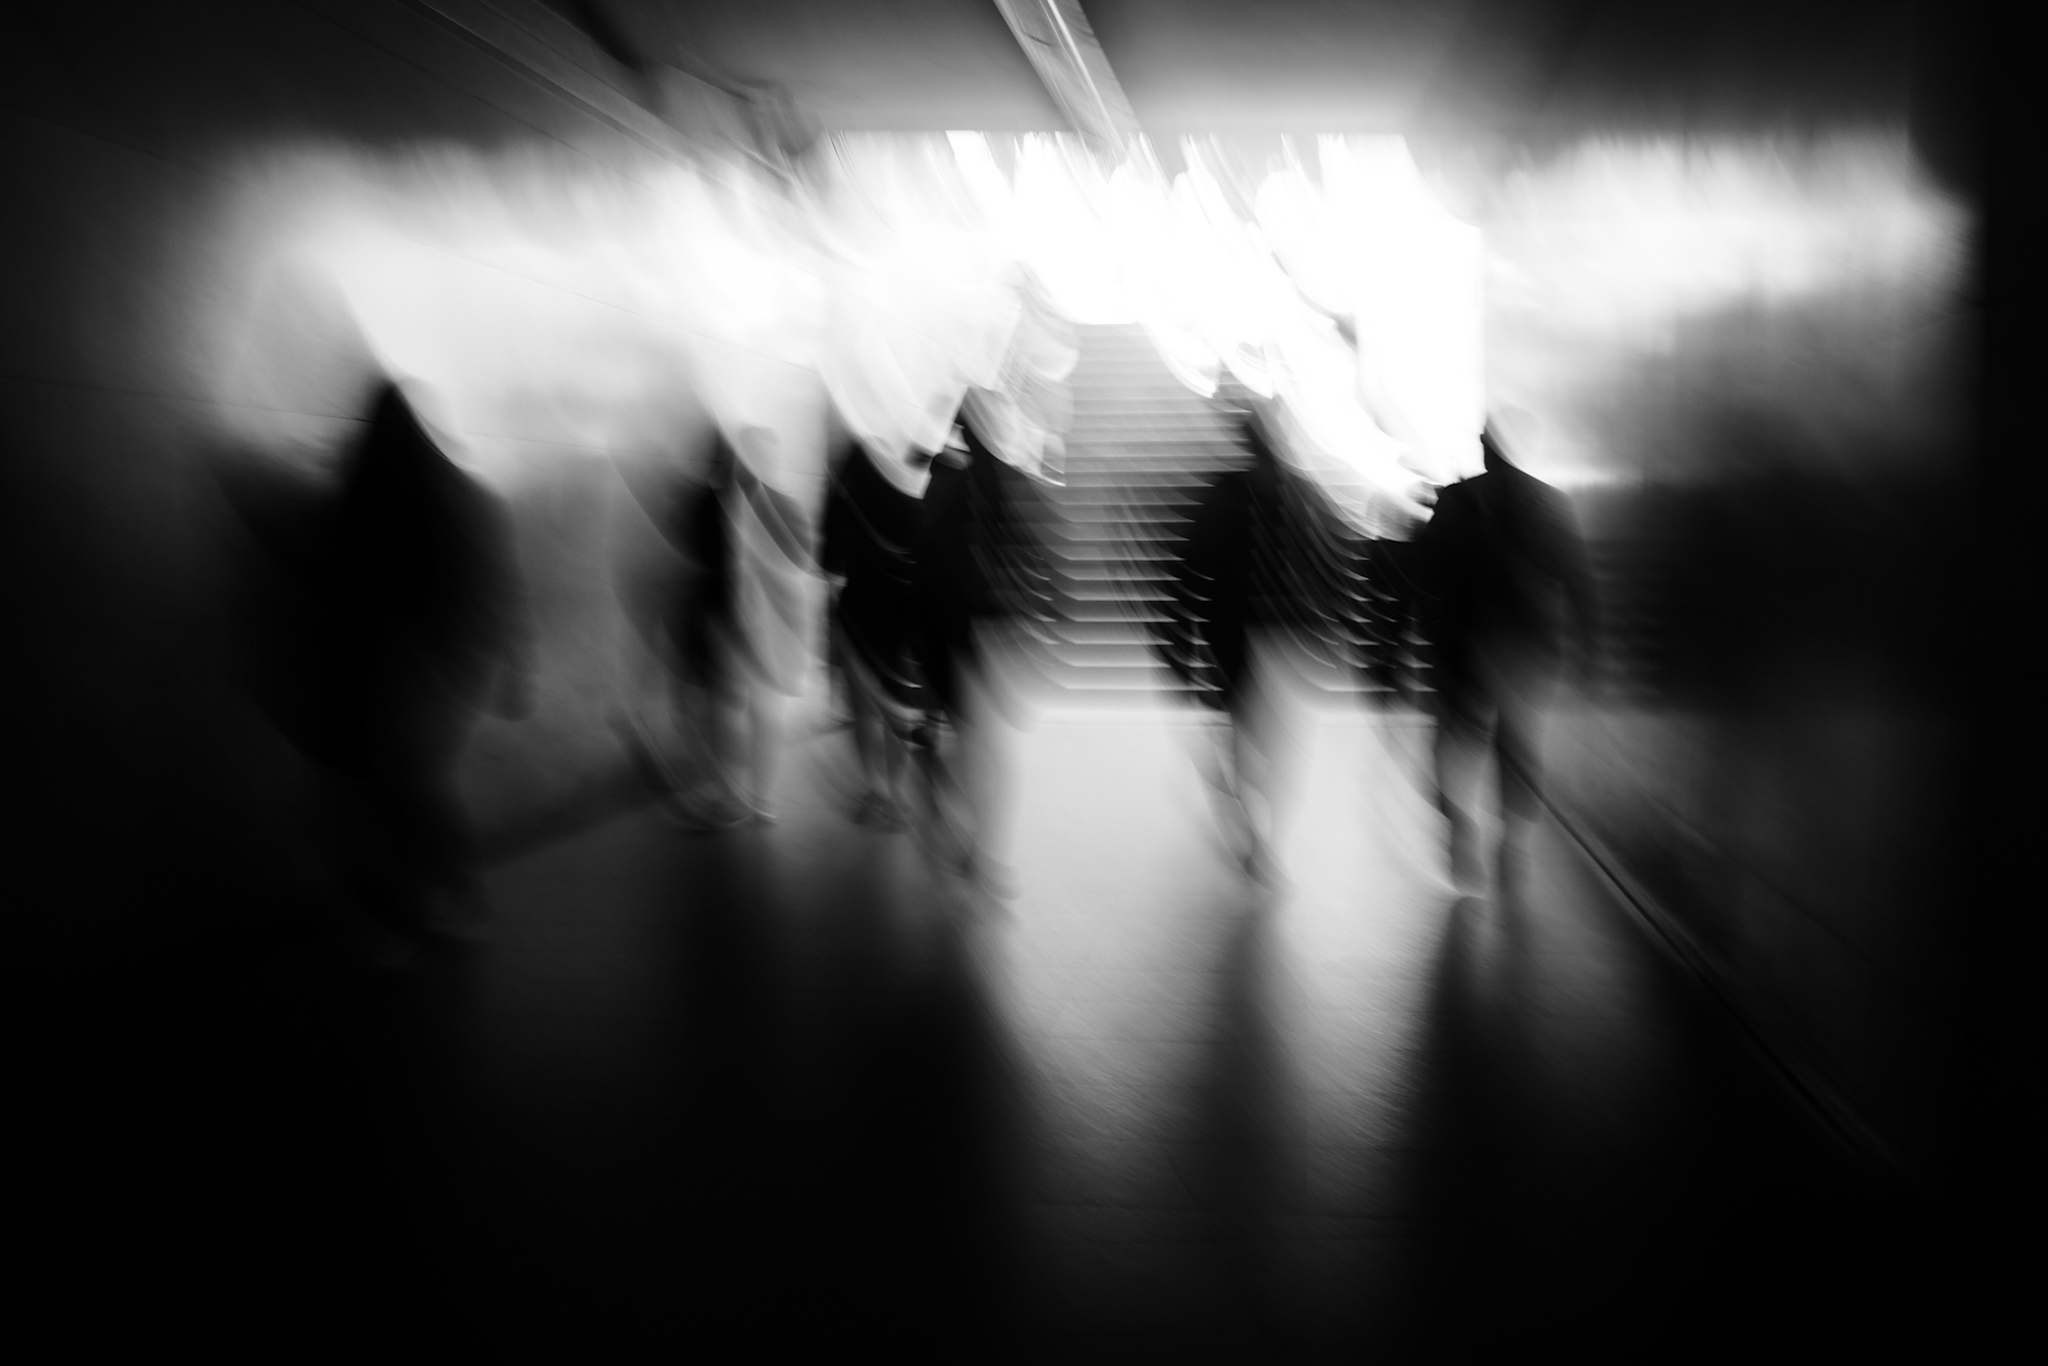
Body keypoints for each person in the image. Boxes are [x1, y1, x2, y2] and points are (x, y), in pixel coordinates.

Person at [310, 380, 534, 951]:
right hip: (443, 676)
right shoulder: (461, 495)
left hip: (382, 674)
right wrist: (515, 671)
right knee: (414, 790)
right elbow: (503, 591)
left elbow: (338, 582)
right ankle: (439, 901)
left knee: (391, 794)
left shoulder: (365, 495)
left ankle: (416, 907)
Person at [1412, 415, 1597, 889]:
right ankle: (1512, 841)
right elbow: (1579, 581)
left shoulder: (1455, 502)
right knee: (1516, 749)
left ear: (1484, 446)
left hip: (1462, 646)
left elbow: (1424, 579)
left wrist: (1413, 644)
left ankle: (1460, 825)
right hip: (1525, 644)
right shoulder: (1549, 503)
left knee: (1450, 746)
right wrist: (1588, 650)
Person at [1164, 401, 1334, 884]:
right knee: (1283, 747)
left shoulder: (1224, 494)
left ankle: (1255, 837)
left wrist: (1178, 643)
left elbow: (1189, 571)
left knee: (1243, 741)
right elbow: (1329, 566)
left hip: (1236, 635)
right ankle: (1269, 841)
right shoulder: (1306, 493)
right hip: (1290, 635)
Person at [912, 395, 1052, 896]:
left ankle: (985, 848)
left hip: (969, 628)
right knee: (998, 745)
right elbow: (1044, 554)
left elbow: (926, 566)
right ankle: (991, 852)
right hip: (1004, 627)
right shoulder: (1018, 483)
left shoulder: (946, 485)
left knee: (980, 741)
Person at [668, 426, 814, 827]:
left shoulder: (714, 502)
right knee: (765, 709)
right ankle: (762, 800)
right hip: (773, 623)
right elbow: (804, 560)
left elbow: (695, 549)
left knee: (725, 705)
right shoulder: (786, 504)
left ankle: (730, 793)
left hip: (726, 616)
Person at [819, 424, 928, 829]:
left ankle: (877, 790)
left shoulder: (852, 474)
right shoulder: (921, 472)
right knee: (898, 704)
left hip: (861, 603)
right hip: (905, 606)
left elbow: (830, 549)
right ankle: (894, 794)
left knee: (864, 705)